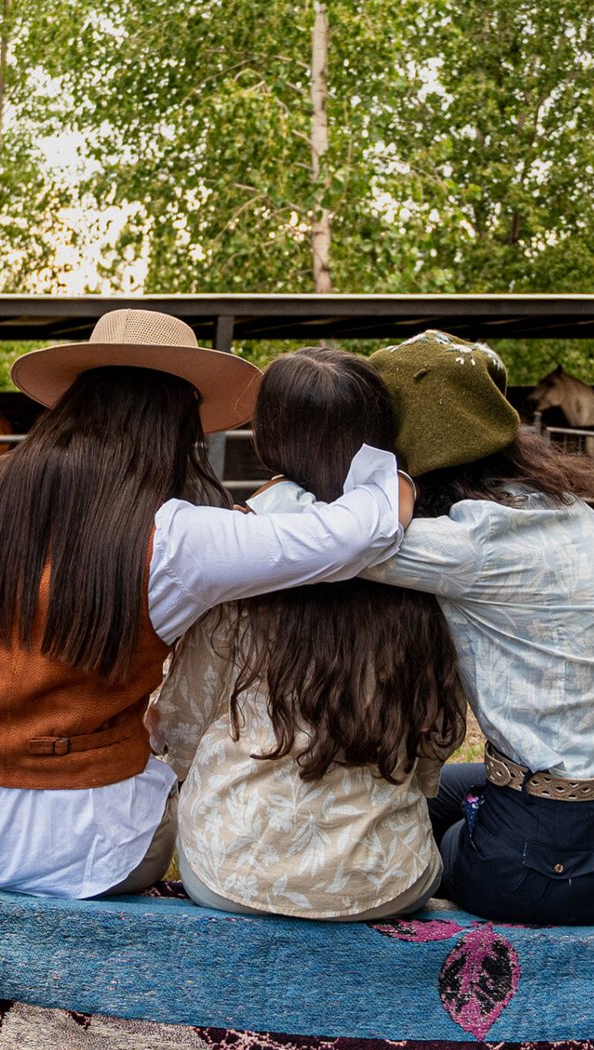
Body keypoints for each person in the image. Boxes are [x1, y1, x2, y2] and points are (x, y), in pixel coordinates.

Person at [0, 309, 411, 900]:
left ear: (76, 400)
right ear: (177, 422)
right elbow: (359, 532)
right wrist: (394, 475)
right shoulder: (177, 537)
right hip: (93, 854)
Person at [266, 330, 594, 925]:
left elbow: (326, 537)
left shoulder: (471, 543)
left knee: (400, 835)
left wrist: (289, 484)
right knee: (424, 795)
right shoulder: (566, 509)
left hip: (547, 864)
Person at [151, 348, 468, 921]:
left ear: (268, 433)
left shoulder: (235, 554)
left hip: (232, 872)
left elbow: (181, 723)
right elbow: (437, 735)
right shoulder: (424, 562)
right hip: (386, 882)